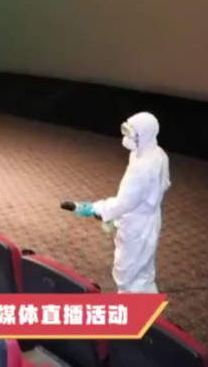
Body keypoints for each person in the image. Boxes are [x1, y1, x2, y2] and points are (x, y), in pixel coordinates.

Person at [61, 112, 171, 293]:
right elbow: (157, 188)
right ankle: (149, 307)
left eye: (132, 133)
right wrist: (118, 216)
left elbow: (125, 202)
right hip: (148, 220)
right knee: (143, 271)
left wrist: (95, 209)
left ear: (144, 134)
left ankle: (133, 309)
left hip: (137, 226)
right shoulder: (156, 154)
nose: (127, 137)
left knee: (128, 274)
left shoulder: (143, 166)